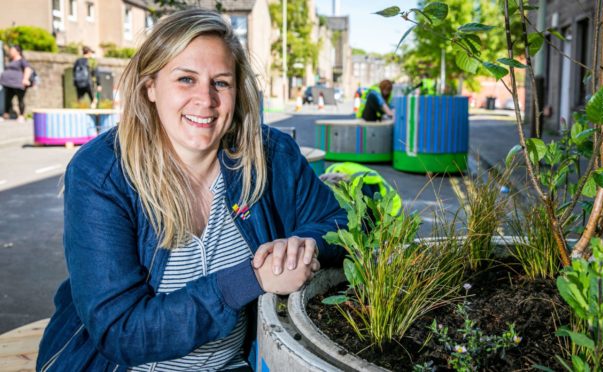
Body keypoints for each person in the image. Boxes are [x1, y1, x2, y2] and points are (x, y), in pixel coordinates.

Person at [36, 9, 346, 371]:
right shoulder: (102, 173)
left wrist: (306, 244)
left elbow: (340, 222)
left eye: (221, 82)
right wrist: (252, 278)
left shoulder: (268, 155)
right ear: (150, 86)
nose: (206, 100)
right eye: (186, 79)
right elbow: (122, 331)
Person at [0, 45, 33, 123]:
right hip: (8, 84)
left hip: (18, 84)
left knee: (20, 100)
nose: (11, 52)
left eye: (12, 50)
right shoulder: (11, 60)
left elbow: (28, 69)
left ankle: (21, 115)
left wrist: (25, 79)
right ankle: (6, 115)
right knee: (8, 100)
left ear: (18, 52)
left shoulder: (22, 60)